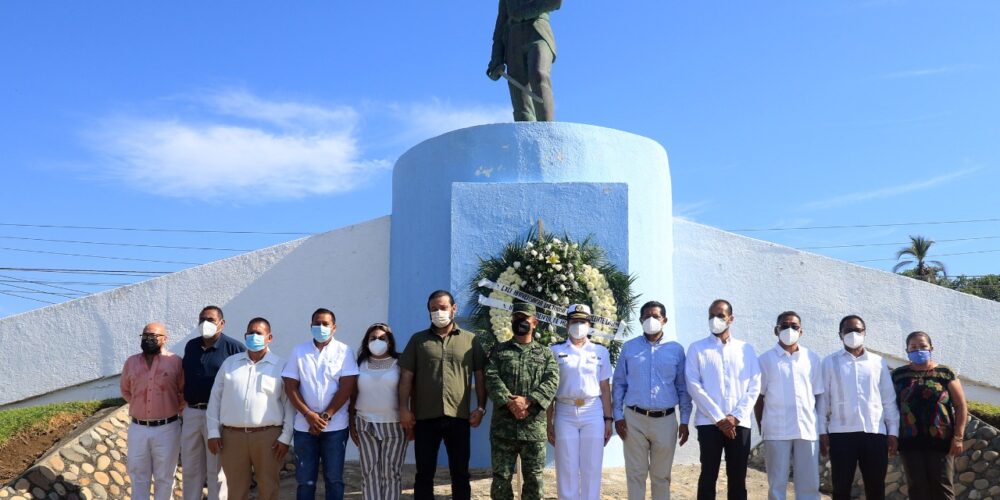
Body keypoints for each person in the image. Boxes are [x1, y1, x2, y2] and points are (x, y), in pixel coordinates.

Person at [398, 290, 488, 500]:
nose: (438, 312)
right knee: (424, 474)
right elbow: (406, 377)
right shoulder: (418, 341)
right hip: (425, 418)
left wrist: (481, 408)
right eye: (433, 309)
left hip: (459, 418)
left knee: (460, 473)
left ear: (453, 309)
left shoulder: (470, 340)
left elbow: (480, 377)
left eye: (443, 308)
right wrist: (404, 408)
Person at [612, 300, 692, 500]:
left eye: (655, 316)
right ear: (640, 320)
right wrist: (618, 416)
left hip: (665, 421)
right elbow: (619, 384)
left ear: (664, 320)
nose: (651, 320)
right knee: (635, 475)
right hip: (634, 419)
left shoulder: (676, 350)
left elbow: (683, 387)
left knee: (661, 476)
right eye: (646, 316)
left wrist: (684, 421)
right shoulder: (629, 348)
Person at [206, 317, 293, 500]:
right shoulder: (230, 363)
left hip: (268, 437)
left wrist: (285, 437)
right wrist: (213, 431)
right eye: (250, 333)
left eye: (258, 333)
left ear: (269, 338)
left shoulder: (281, 366)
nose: (253, 336)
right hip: (232, 437)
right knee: (235, 490)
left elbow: (289, 404)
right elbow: (215, 398)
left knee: (268, 488)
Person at [817, 315, 900, 500]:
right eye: (848, 330)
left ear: (865, 333)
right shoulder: (829, 362)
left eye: (858, 330)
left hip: (874, 433)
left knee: (876, 487)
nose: (853, 334)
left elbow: (888, 399)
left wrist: (893, 431)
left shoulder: (878, 362)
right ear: (840, 335)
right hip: (841, 433)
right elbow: (823, 400)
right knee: (841, 487)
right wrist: (822, 431)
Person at [685, 299, 761, 500]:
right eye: (711, 315)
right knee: (708, 475)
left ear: (731, 319)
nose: (714, 320)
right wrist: (719, 418)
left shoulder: (746, 349)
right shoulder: (697, 348)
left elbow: (754, 385)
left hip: (740, 423)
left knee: (738, 477)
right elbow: (693, 385)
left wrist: (735, 417)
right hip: (709, 424)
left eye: (720, 315)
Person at [485, 302, 560, 500]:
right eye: (516, 318)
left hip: (533, 428)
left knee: (534, 479)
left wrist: (528, 402)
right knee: (501, 479)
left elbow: (552, 381)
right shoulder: (498, 351)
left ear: (534, 323)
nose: (520, 322)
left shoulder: (545, 354)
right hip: (504, 429)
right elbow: (491, 377)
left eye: (524, 319)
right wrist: (510, 402)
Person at [282, 308, 359, 500]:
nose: (321, 327)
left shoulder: (344, 351)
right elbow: (290, 386)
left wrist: (325, 417)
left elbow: (347, 386)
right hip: (304, 427)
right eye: (317, 323)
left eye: (325, 324)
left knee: (333, 479)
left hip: (335, 427)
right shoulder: (299, 351)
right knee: (305, 481)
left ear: (334, 327)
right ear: (310, 326)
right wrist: (309, 415)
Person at [753, 311, 823, 500]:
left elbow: (818, 396)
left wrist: (820, 428)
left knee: (809, 484)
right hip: (776, 429)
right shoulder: (765, 360)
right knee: (777, 483)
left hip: (807, 429)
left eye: (794, 326)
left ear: (801, 331)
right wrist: (762, 424)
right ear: (776, 330)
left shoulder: (812, 358)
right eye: (785, 326)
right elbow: (759, 398)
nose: (789, 330)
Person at [547, 304, 614, 500]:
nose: (578, 325)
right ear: (567, 325)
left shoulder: (600, 351)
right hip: (565, 411)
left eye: (582, 322)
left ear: (589, 324)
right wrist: (548, 422)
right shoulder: (555, 350)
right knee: (566, 466)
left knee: (592, 466)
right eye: (574, 321)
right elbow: (551, 391)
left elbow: (605, 388)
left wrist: (608, 419)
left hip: (593, 410)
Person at [892, 331, 968, 500]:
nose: (918, 350)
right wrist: (892, 435)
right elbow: (890, 407)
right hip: (909, 440)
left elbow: (961, 405)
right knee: (917, 486)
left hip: (941, 440)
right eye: (913, 347)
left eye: (923, 346)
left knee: (942, 486)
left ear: (931, 348)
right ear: (907, 351)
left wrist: (958, 437)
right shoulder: (898, 375)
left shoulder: (945, 373)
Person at [181, 305, 245, 500]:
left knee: (217, 471)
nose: (204, 324)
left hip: (217, 415)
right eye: (202, 319)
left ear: (221, 323)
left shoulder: (235, 348)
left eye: (210, 319)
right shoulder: (191, 346)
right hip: (191, 412)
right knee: (190, 468)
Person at [120, 322, 185, 500]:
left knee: (164, 477)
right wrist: (138, 404)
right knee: (138, 476)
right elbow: (125, 390)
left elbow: (183, 391)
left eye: (153, 336)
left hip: (167, 428)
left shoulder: (175, 362)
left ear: (165, 339)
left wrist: (170, 407)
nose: (149, 339)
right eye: (145, 335)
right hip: (138, 428)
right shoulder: (131, 362)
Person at [349, 323, 409, 500]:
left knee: (391, 473)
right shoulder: (359, 363)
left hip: (394, 425)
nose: (377, 341)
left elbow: (410, 391)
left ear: (390, 342)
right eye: (373, 338)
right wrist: (351, 422)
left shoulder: (400, 362)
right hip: (365, 424)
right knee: (369, 473)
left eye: (382, 338)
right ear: (366, 341)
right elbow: (353, 394)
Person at [487, 0, 561, 121]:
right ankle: (525, 135)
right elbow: (500, 25)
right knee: (518, 90)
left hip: (538, 33)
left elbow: (555, 2)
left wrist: (522, 13)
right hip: (514, 40)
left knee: (538, 73)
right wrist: (496, 57)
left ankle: (547, 130)